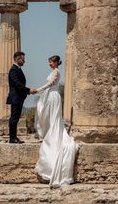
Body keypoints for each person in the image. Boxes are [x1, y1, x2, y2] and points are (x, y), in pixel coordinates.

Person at [31, 55, 78, 187]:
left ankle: (53, 136)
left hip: (53, 95)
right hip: (49, 95)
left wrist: (37, 90)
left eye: (51, 62)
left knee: (53, 117)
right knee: (45, 115)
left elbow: (50, 84)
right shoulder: (53, 71)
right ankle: (47, 133)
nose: (49, 64)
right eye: (49, 62)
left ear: (56, 62)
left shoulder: (56, 72)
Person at [7, 51, 35, 144]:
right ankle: (12, 138)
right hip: (15, 98)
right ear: (17, 59)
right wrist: (28, 90)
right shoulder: (14, 70)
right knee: (14, 118)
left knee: (16, 118)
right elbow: (17, 84)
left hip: (19, 97)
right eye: (23, 59)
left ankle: (14, 137)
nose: (24, 61)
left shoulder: (18, 69)